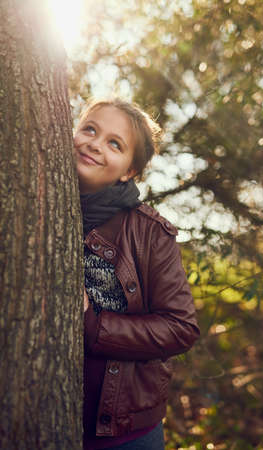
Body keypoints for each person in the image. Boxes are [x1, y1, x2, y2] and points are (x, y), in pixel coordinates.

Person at [74, 98, 200, 450]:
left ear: (130, 170)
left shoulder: (149, 233)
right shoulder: (27, 201)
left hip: (124, 432)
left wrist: (94, 325)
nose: (95, 144)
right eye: (90, 129)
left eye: (115, 144)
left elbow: (181, 327)